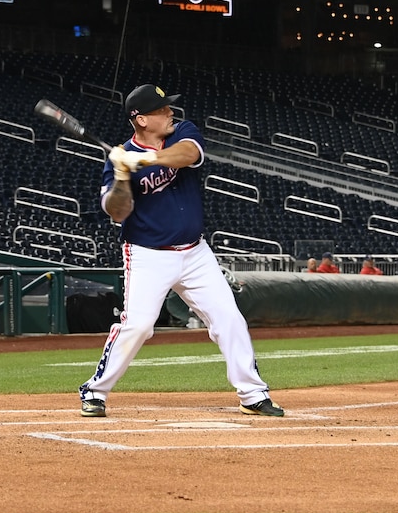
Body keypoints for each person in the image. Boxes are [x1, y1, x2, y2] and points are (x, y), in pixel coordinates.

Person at [78, 83, 282, 418]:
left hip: (195, 253)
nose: (170, 112)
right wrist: (121, 176)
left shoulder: (180, 132)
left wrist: (145, 158)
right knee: (139, 325)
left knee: (228, 318)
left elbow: (189, 153)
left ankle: (252, 393)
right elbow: (117, 211)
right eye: (161, 110)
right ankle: (95, 391)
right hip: (147, 254)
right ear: (141, 119)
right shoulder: (119, 159)